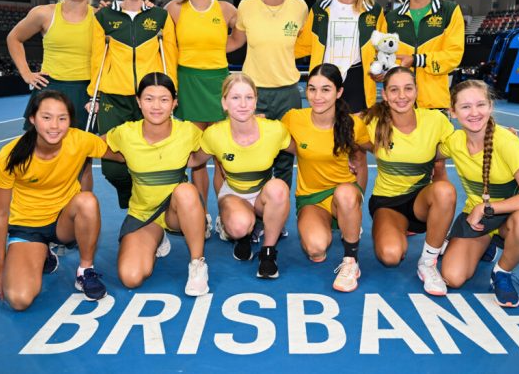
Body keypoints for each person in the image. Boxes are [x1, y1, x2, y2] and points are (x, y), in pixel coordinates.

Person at [0, 90, 118, 311]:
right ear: (32, 118)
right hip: (27, 228)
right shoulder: (10, 155)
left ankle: (85, 271)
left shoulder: (80, 140)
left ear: (70, 121)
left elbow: (123, 154)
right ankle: (42, 254)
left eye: (62, 118)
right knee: (19, 300)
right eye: (46, 117)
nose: (54, 126)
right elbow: (0, 215)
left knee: (87, 201)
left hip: (62, 222)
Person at [440, 80, 519, 308]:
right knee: (453, 277)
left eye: (481, 104)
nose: (474, 113)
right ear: (453, 112)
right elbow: (429, 157)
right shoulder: (454, 141)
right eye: (465, 107)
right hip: (478, 219)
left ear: (490, 106)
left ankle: (502, 272)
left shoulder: (507, 142)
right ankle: (487, 243)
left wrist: (487, 208)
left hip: (512, 216)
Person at [103, 72, 209, 296]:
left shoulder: (188, 131)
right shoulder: (125, 133)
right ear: (139, 102)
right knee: (131, 277)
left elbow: (211, 148)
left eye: (164, 99)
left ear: (174, 103)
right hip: (143, 215)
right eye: (149, 99)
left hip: (175, 210)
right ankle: (157, 237)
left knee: (186, 192)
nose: (156, 106)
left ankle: (197, 264)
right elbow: (88, 145)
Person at [89, 0, 177, 209]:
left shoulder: (160, 17)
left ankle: (151, 215)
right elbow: (97, 60)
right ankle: (134, 204)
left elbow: (169, 59)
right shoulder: (104, 17)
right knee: (113, 169)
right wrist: (92, 96)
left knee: (154, 161)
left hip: (150, 101)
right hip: (112, 100)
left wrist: (173, 94)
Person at [7, 0, 100, 190]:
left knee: (82, 161)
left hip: (84, 94)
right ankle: (39, 211)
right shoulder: (44, 13)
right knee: (39, 155)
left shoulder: (100, 18)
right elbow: (14, 38)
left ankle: (82, 215)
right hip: (50, 91)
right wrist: (27, 73)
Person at [362, 67, 456, 296]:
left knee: (445, 191)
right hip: (388, 202)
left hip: (421, 202)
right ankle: (400, 229)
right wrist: (349, 160)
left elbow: (465, 143)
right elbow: (343, 138)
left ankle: (428, 262)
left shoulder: (435, 120)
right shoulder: (371, 122)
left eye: (408, 88)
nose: (401, 96)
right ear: (384, 94)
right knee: (390, 256)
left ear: (416, 91)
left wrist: (501, 135)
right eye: (394, 90)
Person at [191, 73, 293, 278]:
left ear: (255, 101)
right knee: (238, 226)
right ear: (224, 103)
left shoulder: (274, 130)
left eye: (249, 97)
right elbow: (193, 161)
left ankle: (268, 253)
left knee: (279, 189)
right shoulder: (214, 134)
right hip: (234, 193)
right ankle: (244, 235)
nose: (243, 104)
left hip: (263, 193)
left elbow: (304, 152)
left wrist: (345, 157)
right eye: (235, 97)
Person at [281, 63, 370, 292]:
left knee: (346, 194)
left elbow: (369, 153)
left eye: (325, 89)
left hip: (343, 193)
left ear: (339, 92)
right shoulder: (293, 119)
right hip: (312, 198)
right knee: (316, 250)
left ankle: (351, 260)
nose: (317, 96)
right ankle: (344, 224)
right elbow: (273, 139)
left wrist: (358, 195)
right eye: (312, 89)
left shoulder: (353, 124)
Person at [227, 0, 308, 191]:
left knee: (284, 159)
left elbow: (307, 44)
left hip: (288, 93)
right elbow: (235, 42)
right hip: (254, 94)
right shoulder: (246, 6)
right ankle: (255, 213)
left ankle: (277, 215)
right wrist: (195, 45)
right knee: (254, 156)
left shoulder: (300, 7)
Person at [165, 0, 237, 222]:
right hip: (188, 84)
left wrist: (218, 49)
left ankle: (225, 216)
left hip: (218, 84)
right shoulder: (174, 8)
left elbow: (239, 38)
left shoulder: (227, 10)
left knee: (221, 155)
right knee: (196, 156)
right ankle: (201, 215)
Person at [296, 0, 386, 113]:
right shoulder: (319, 10)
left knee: (357, 135)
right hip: (324, 80)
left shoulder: (374, 11)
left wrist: (383, 69)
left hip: (358, 82)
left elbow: (384, 49)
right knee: (325, 133)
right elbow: (303, 46)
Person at [386, 0, 465, 111]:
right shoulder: (390, 18)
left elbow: (453, 55)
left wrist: (416, 60)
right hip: (400, 105)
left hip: (434, 105)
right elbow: (383, 56)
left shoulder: (449, 11)